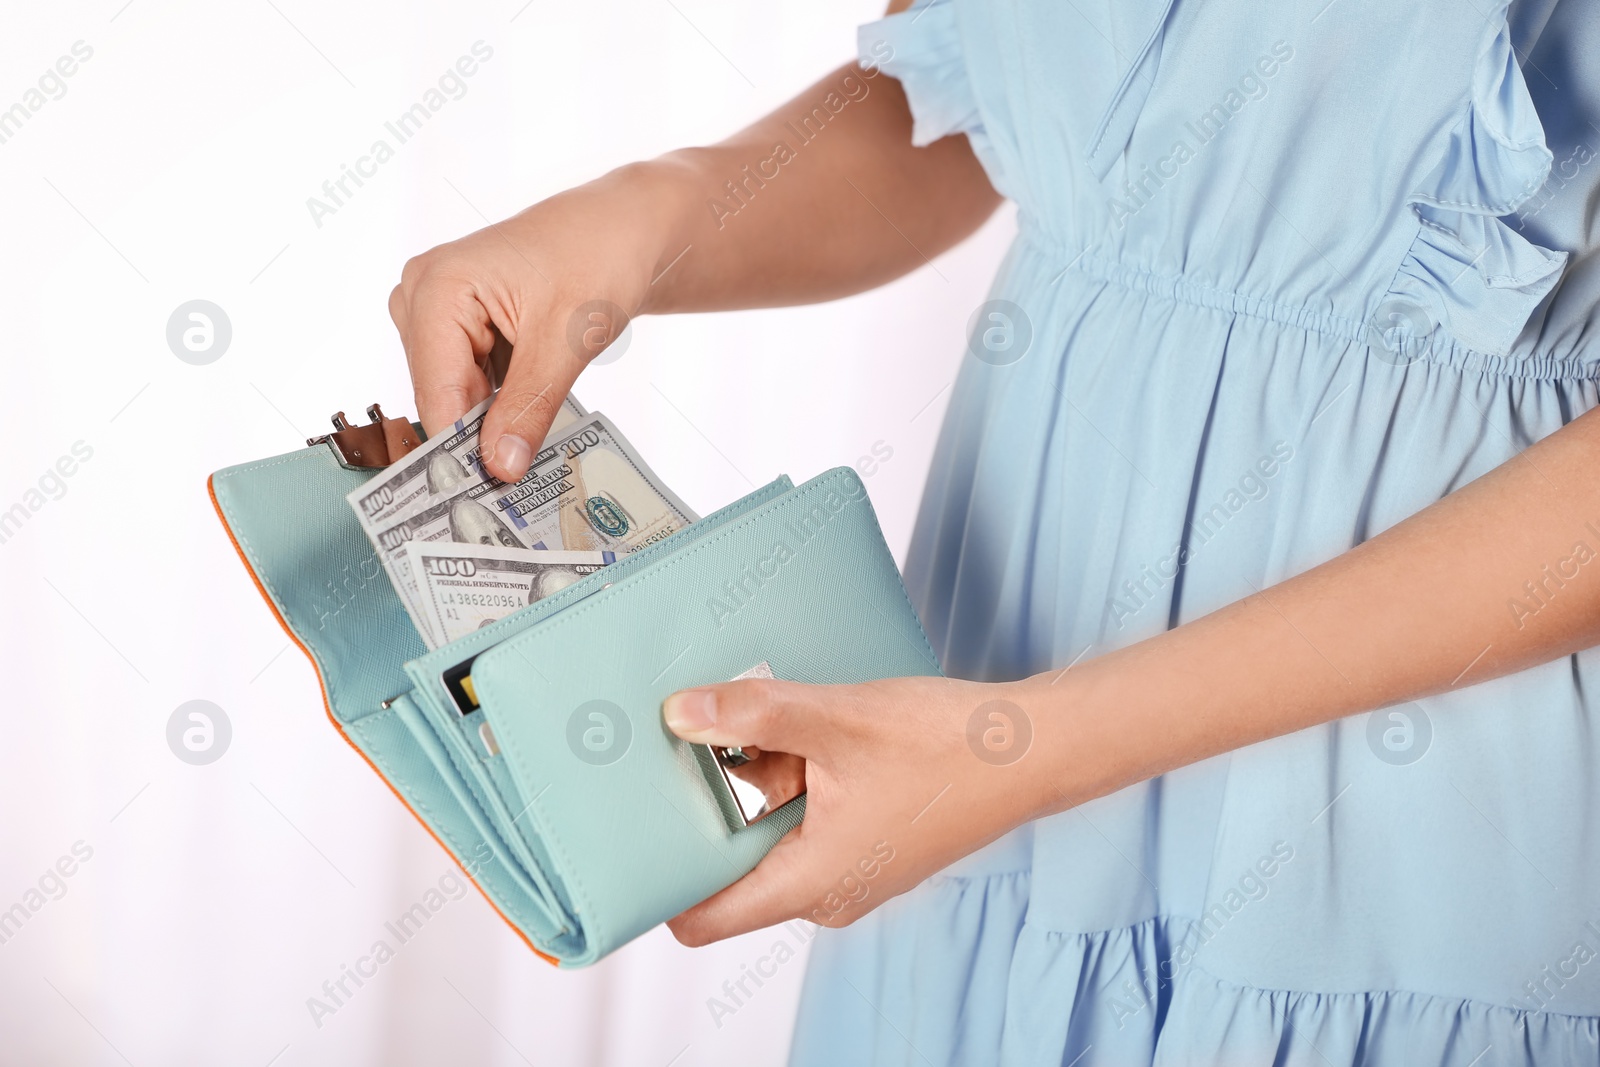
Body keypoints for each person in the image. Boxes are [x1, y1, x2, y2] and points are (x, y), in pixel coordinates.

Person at [386, 0, 1600, 1062]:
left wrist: (1029, 750)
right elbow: (969, 88)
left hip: (1416, 769)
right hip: (987, 695)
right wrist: (646, 216)